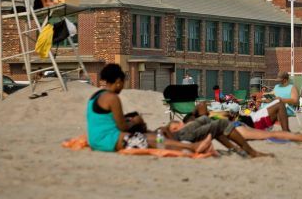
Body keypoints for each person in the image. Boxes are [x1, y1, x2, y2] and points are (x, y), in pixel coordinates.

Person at [86, 63, 214, 153]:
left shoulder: (96, 96)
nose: (122, 87)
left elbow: (105, 121)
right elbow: (122, 127)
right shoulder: (112, 98)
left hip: (96, 138)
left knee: (152, 136)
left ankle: (190, 146)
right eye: (123, 83)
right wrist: (135, 121)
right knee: (148, 139)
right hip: (107, 140)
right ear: (118, 81)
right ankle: (193, 147)